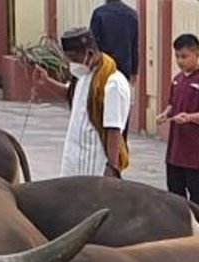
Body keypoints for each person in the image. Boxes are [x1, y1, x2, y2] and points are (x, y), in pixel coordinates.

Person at [35, 28, 131, 178]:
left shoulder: (113, 84)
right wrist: (47, 82)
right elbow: (71, 95)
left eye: (74, 58)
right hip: (75, 161)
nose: (72, 63)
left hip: (95, 164)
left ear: (90, 54)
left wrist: (112, 168)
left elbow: (114, 128)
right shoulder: (83, 75)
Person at [156, 34, 199, 210]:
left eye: (184, 56)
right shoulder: (177, 79)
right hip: (176, 147)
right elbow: (172, 104)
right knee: (174, 191)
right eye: (177, 56)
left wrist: (189, 117)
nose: (180, 61)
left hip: (195, 149)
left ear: (197, 53)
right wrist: (165, 114)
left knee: (196, 193)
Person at [90, 0, 138, 82]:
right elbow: (135, 45)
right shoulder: (132, 14)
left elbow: (93, 44)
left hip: (104, 68)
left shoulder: (98, 14)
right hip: (124, 68)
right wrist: (134, 71)